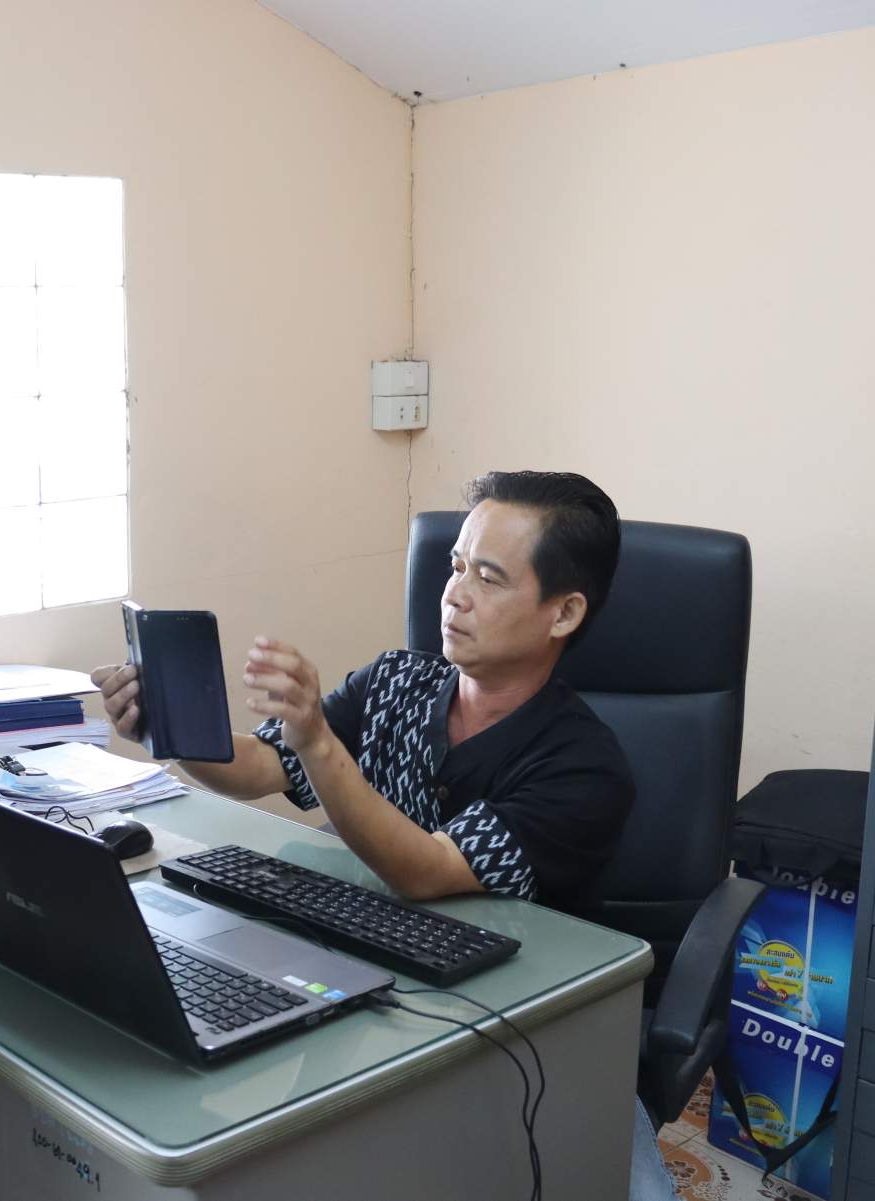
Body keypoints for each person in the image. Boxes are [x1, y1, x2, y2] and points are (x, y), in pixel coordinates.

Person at [93, 469, 675, 1199]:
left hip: (535, 1031)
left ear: (563, 613)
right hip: (382, 994)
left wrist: (318, 741)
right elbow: (263, 765)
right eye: (456, 566)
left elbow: (426, 869)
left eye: (489, 577)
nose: (454, 593)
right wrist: (169, 725)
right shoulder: (397, 681)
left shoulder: (583, 765)